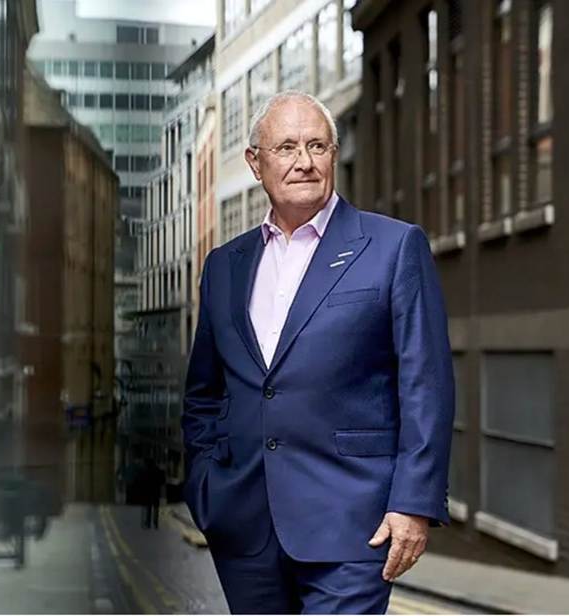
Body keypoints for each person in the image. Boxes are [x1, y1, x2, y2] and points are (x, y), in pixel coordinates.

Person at [182, 90, 455, 614]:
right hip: (244, 524)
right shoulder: (224, 266)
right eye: (286, 147)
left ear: (334, 154)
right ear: (255, 163)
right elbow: (204, 393)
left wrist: (413, 503)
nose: (304, 162)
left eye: (317, 146)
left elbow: (426, 385)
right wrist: (206, 487)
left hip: (354, 523)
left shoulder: (394, 247)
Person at [139, 456, 165, 529]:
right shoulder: (159, 471)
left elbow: (142, 481)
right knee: (156, 507)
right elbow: (162, 481)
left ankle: (148, 522)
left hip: (148, 492)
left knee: (148, 507)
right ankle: (155, 522)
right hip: (156, 491)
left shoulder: (146, 471)